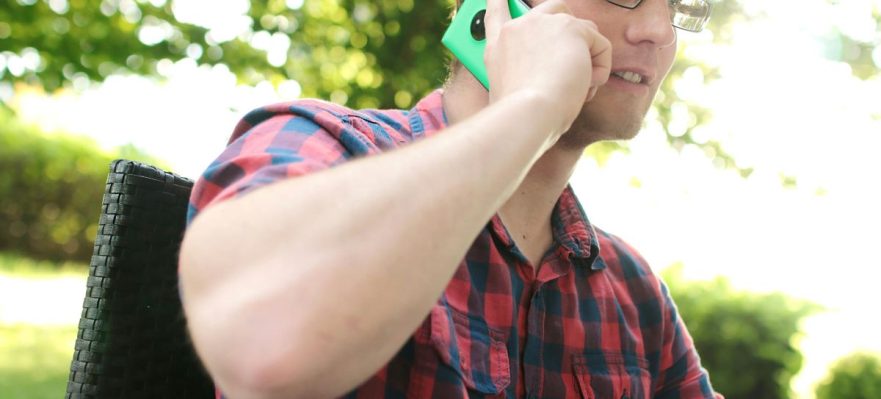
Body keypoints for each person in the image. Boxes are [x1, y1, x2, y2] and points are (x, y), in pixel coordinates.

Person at [179, 0, 722, 397]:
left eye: (677, 4)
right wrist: (532, 105)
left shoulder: (635, 292)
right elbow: (262, 349)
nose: (658, 30)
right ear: (495, 10)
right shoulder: (323, 144)